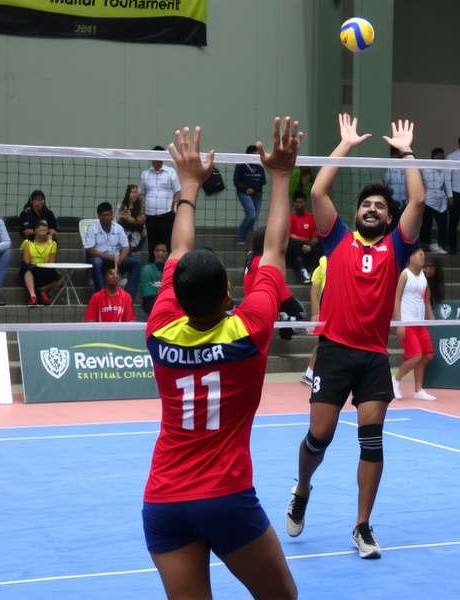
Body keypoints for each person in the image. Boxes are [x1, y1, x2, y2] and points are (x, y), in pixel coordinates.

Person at [141, 119, 300, 599]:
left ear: (174, 292)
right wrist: (280, 175)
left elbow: (181, 246)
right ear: (230, 290)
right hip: (226, 498)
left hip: (163, 501)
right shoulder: (249, 330)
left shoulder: (160, 327)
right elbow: (274, 247)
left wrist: (187, 184)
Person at [286, 114, 425, 560]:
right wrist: (343, 145)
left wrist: (405, 154)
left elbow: (418, 201)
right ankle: (303, 488)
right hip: (334, 353)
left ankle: (362, 525)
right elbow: (316, 192)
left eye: (380, 207)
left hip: (371, 358)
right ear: (357, 212)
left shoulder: (397, 248)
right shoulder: (338, 239)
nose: (372, 209)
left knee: (372, 438)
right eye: (366, 204)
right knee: (319, 437)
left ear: (388, 217)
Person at [244, 228, 305, 340]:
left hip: (257, 298)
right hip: (270, 297)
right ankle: (284, 320)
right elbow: (277, 285)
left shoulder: (251, 258)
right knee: (299, 315)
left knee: (294, 313)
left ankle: (284, 325)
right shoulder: (264, 260)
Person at [392, 245, 436, 401]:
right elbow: (396, 299)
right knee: (416, 356)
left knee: (427, 355)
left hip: (420, 323)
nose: (422, 257)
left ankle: (418, 390)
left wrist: (432, 321)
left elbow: (426, 299)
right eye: (419, 254)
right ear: (411, 257)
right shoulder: (404, 275)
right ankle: (395, 380)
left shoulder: (424, 277)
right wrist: (399, 323)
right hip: (407, 322)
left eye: (423, 254)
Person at [84, 201, 141, 298]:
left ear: (112, 214)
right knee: (97, 262)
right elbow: (90, 249)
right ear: (99, 216)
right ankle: (101, 297)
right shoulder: (92, 229)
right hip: (101, 258)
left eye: (109, 215)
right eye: (104, 215)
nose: (107, 217)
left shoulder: (118, 228)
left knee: (135, 263)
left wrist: (120, 259)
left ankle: (128, 297)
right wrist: (109, 256)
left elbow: (126, 247)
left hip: (117, 260)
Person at [139, 146, 180, 263]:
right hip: (150, 215)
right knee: (152, 243)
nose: (157, 161)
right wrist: (142, 212)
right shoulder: (145, 174)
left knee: (167, 243)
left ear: (163, 158)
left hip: (166, 214)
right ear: (152, 159)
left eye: (159, 158)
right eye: (154, 159)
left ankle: (167, 269)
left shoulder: (171, 172)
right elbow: (141, 194)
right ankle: (153, 267)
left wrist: (173, 207)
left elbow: (178, 191)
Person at [234, 145, 267, 248]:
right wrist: (246, 189)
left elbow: (263, 181)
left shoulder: (259, 165)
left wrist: (254, 189)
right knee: (251, 214)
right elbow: (236, 180)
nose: (258, 156)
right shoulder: (241, 165)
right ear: (250, 154)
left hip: (257, 193)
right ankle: (240, 237)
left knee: (254, 218)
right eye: (256, 153)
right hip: (244, 193)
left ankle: (252, 241)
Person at [301, 255, 327, 386]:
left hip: (341, 310)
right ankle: (309, 373)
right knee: (322, 342)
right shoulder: (322, 265)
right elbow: (314, 291)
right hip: (327, 311)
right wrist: (316, 313)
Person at [21, 220, 60, 306]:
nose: (42, 232)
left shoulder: (53, 244)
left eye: (44, 230)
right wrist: (37, 266)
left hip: (45, 270)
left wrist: (49, 242)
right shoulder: (27, 242)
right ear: (35, 231)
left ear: (48, 231)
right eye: (40, 230)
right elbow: (27, 261)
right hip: (31, 270)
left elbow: (51, 263)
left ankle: (43, 290)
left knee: (58, 277)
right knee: (27, 268)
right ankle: (33, 296)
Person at [420, 147, 449, 254]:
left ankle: (442, 245)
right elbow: (420, 180)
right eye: (439, 157)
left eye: (442, 157)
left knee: (443, 225)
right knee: (426, 225)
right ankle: (424, 245)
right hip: (428, 200)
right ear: (433, 157)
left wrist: (448, 196)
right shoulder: (425, 168)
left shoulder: (445, 170)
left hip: (441, 201)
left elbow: (447, 185)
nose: (441, 158)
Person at [288, 191, 320, 283]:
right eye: (298, 202)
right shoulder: (290, 218)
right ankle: (303, 273)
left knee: (320, 243)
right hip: (295, 249)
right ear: (294, 203)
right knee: (292, 243)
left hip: (309, 248)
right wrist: (306, 242)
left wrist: (310, 245)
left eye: (302, 202)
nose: (300, 204)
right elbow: (291, 236)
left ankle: (316, 273)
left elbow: (315, 235)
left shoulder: (310, 217)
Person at [140, 241, 168, 316]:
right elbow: (147, 295)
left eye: (163, 251)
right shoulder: (146, 269)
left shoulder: (171, 270)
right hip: (151, 302)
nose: (160, 253)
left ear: (168, 254)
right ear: (154, 253)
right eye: (157, 251)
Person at [119, 184, 146, 252]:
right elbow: (120, 219)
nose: (134, 194)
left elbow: (141, 221)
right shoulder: (122, 206)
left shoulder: (141, 207)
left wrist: (132, 220)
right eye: (132, 192)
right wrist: (128, 218)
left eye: (136, 192)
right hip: (125, 231)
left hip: (136, 233)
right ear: (128, 193)